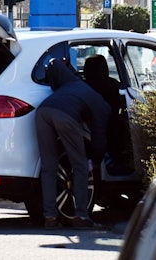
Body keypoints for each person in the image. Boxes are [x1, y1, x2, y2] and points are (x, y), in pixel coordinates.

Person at [35, 57, 110, 230]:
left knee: (48, 166)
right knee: (81, 166)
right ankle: (81, 216)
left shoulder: (73, 83)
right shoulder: (101, 105)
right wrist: (95, 160)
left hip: (43, 112)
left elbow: (56, 67)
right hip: (65, 115)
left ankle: (50, 217)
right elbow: (99, 138)